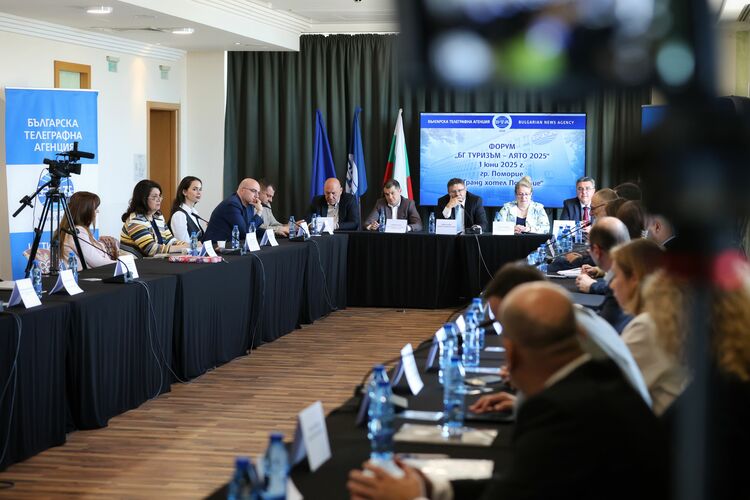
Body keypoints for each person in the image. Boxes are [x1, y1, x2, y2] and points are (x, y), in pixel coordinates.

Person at [348, 282, 667, 500]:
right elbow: (519, 489)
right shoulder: (600, 378)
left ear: (511, 355)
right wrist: (431, 487)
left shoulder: (559, 412)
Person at [610, 239, 685, 415]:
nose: (611, 284)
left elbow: (608, 390)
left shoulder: (647, 327)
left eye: (616, 276)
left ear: (634, 278)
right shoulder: (669, 316)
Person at [576, 216, 632, 333]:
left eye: (589, 247)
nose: (588, 251)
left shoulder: (619, 283)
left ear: (596, 251)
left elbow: (606, 330)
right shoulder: (630, 270)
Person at [120, 180, 188, 258]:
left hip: (152, 262)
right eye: (154, 197)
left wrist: (189, 245)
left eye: (160, 196)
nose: (159, 199)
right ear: (143, 199)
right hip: (134, 263)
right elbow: (151, 249)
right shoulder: (135, 220)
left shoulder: (158, 217)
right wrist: (182, 247)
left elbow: (170, 240)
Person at [56, 191, 118, 270]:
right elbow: (97, 262)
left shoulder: (78, 230)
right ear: (85, 211)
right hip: (86, 276)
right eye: (95, 209)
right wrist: (123, 265)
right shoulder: (78, 232)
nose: (97, 211)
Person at [203, 178, 266, 244]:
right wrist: (259, 212)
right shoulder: (232, 204)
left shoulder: (250, 204)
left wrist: (270, 233)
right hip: (216, 246)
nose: (257, 196)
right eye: (254, 191)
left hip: (231, 244)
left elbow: (250, 228)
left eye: (258, 192)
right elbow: (245, 232)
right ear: (242, 190)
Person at [169, 176, 205, 243]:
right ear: (184, 192)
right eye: (194, 189)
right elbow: (184, 244)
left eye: (200, 189)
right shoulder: (179, 215)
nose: (199, 193)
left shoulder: (194, 213)